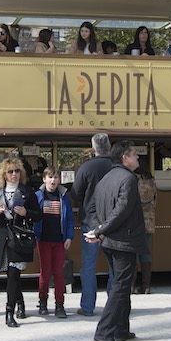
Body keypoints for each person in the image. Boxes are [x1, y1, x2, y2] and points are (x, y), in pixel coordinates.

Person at [86, 140, 147, 341]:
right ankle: (104, 333)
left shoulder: (105, 179)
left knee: (120, 284)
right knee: (121, 288)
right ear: (124, 158)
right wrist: (101, 230)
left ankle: (121, 329)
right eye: (134, 154)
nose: (138, 158)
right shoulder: (128, 179)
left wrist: (98, 230)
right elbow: (121, 211)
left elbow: (91, 208)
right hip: (124, 241)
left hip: (110, 241)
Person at [0, 157, 41, 327]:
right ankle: (21, 303)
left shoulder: (27, 191)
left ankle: (9, 313)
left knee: (14, 273)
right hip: (3, 236)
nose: (14, 174)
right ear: (4, 174)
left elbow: (38, 215)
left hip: (20, 236)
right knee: (10, 274)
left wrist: (26, 212)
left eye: (17, 171)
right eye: (10, 172)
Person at [72, 133, 112, 316]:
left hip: (91, 223)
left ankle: (88, 307)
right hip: (113, 223)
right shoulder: (116, 166)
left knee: (88, 265)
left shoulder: (86, 168)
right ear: (109, 146)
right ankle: (114, 306)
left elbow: (76, 193)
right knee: (115, 266)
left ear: (94, 147)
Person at [34, 166, 74, 318]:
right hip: (43, 240)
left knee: (59, 273)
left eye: (56, 177)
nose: (53, 180)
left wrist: (69, 236)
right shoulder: (38, 195)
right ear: (44, 179)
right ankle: (43, 302)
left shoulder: (64, 196)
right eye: (50, 177)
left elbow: (69, 219)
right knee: (45, 273)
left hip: (59, 241)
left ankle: (59, 305)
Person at [134, 166, 156, 294]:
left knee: (133, 254)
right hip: (149, 223)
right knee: (146, 254)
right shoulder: (152, 182)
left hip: (135, 223)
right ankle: (146, 286)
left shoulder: (133, 181)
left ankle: (131, 286)